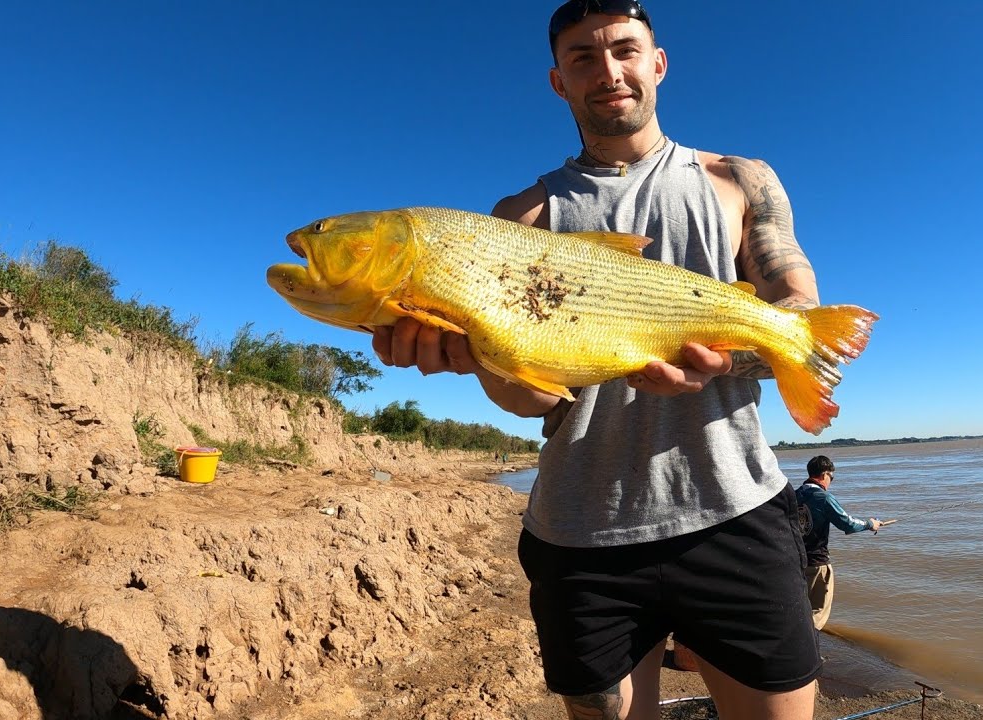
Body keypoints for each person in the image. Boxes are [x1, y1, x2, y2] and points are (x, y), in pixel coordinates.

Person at [372, 2, 828, 717]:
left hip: (735, 508)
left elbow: (796, 303)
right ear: (559, 81)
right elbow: (533, 401)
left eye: (624, 49)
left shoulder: (739, 179)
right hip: (582, 532)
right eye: (583, 57)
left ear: (658, 63)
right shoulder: (519, 217)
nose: (608, 70)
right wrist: (471, 359)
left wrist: (730, 360)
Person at [794, 456, 881, 631]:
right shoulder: (823, 497)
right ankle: (806, 653)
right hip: (818, 563)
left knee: (802, 609)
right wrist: (871, 524)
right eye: (831, 478)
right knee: (818, 613)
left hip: (796, 562)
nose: (830, 482)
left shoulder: (794, 496)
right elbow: (847, 524)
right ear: (825, 474)